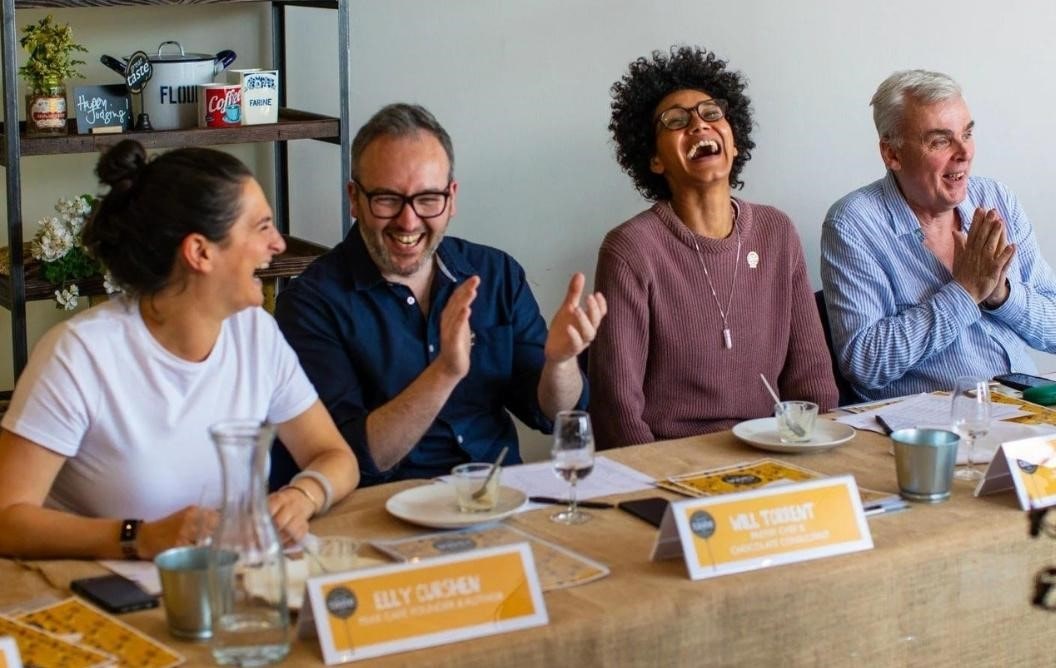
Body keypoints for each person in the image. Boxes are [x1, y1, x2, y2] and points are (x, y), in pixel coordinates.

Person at [0, 140, 359, 560]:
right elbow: (7, 518)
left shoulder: (256, 334)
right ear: (200, 252)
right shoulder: (80, 355)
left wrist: (305, 494)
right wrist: (138, 537)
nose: (278, 244)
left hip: (230, 586)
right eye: (261, 227)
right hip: (101, 601)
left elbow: (335, 456)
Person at [272, 103, 606, 487]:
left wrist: (560, 362)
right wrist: (444, 373)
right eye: (387, 199)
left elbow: (551, 414)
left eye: (428, 198)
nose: (408, 221)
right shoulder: (310, 304)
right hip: (380, 511)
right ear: (354, 199)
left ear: (451, 199)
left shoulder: (496, 274)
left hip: (499, 499)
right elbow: (354, 457)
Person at [591, 45, 837, 449]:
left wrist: (819, 451)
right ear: (654, 159)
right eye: (675, 120)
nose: (699, 126)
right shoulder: (630, 249)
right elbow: (617, 407)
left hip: (776, 449)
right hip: (673, 461)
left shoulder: (776, 231)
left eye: (711, 113)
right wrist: (651, 481)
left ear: (734, 140)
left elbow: (812, 379)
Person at [821, 70, 1056, 401]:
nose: (964, 152)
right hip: (931, 432)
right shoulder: (853, 224)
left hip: (1026, 411)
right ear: (893, 154)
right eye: (940, 140)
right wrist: (965, 292)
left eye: (967, 133)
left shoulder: (996, 199)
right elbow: (864, 362)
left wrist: (1001, 295)